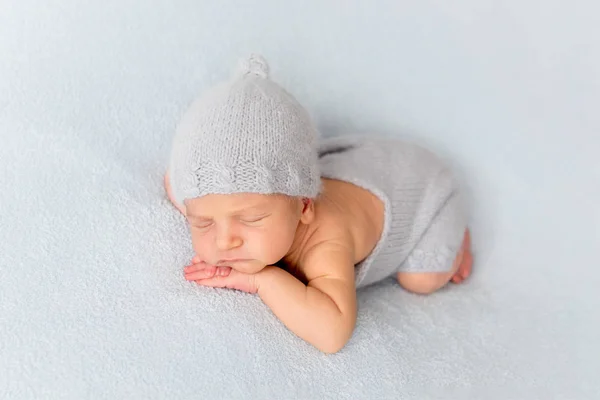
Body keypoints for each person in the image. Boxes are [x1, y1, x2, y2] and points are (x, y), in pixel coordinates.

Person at [164, 54, 473, 354]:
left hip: (423, 188)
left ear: (304, 207)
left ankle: (455, 238)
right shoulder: (220, 200)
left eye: (251, 219)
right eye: (203, 222)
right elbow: (179, 185)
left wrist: (262, 279)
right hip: (360, 168)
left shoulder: (325, 243)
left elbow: (332, 333)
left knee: (422, 279)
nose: (224, 240)